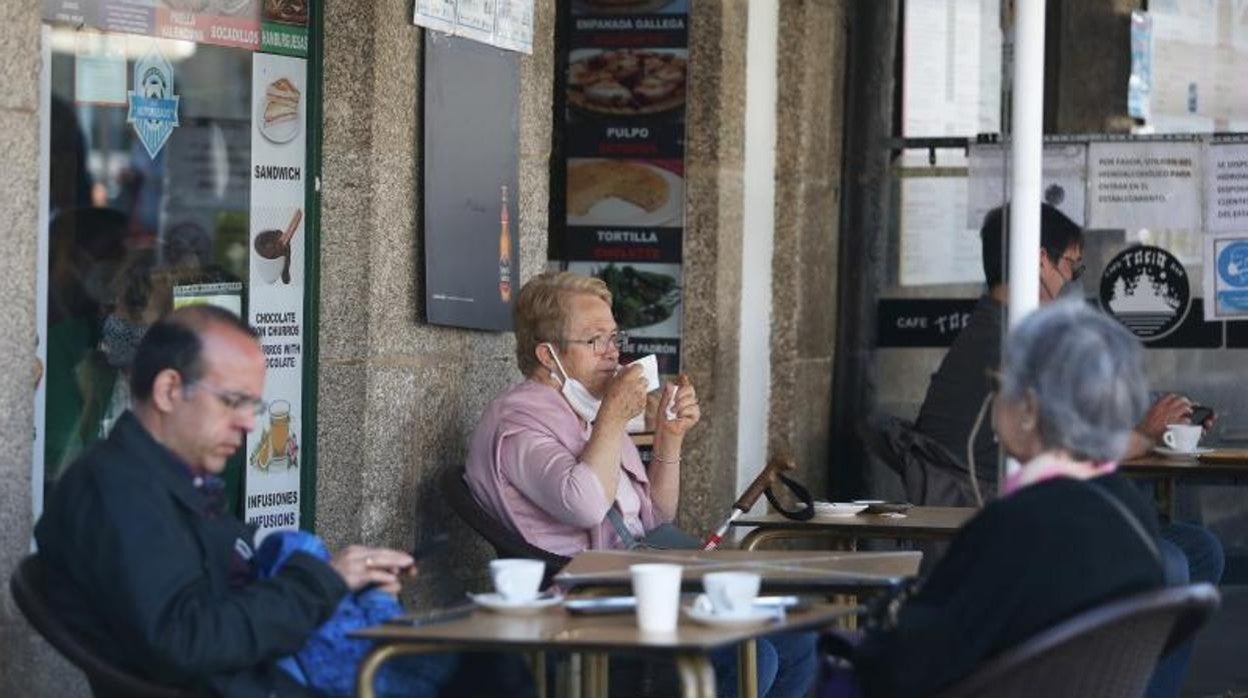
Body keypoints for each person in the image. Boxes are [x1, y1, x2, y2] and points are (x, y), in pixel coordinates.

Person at [35, 305, 531, 698]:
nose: (250, 424)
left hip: (264, 673)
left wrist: (342, 578)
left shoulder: (163, 480)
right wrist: (323, 581)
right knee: (504, 673)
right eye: (233, 401)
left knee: (502, 664)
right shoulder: (120, 493)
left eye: (254, 405)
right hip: (256, 682)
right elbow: (188, 641)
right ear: (168, 389)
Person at [911, 204, 1223, 695]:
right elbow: (1076, 450)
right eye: (1072, 267)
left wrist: (1144, 428)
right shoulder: (1011, 344)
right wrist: (1146, 432)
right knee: (1171, 563)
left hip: (1023, 518)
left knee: (1196, 549)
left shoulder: (1001, 331)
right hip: (1003, 531)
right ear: (1039, 260)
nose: (1073, 280)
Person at [466, 271, 816, 698]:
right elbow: (586, 507)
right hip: (580, 599)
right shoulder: (518, 421)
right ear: (547, 354)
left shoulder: (583, 409)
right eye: (596, 341)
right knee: (750, 654)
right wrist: (613, 416)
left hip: (636, 579)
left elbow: (654, 516)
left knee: (798, 641)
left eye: (615, 338)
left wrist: (670, 436)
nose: (613, 353)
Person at [853, 302, 1168, 697]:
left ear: (1030, 409)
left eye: (998, 385)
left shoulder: (1013, 524)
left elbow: (909, 666)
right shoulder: (1131, 510)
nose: (992, 401)